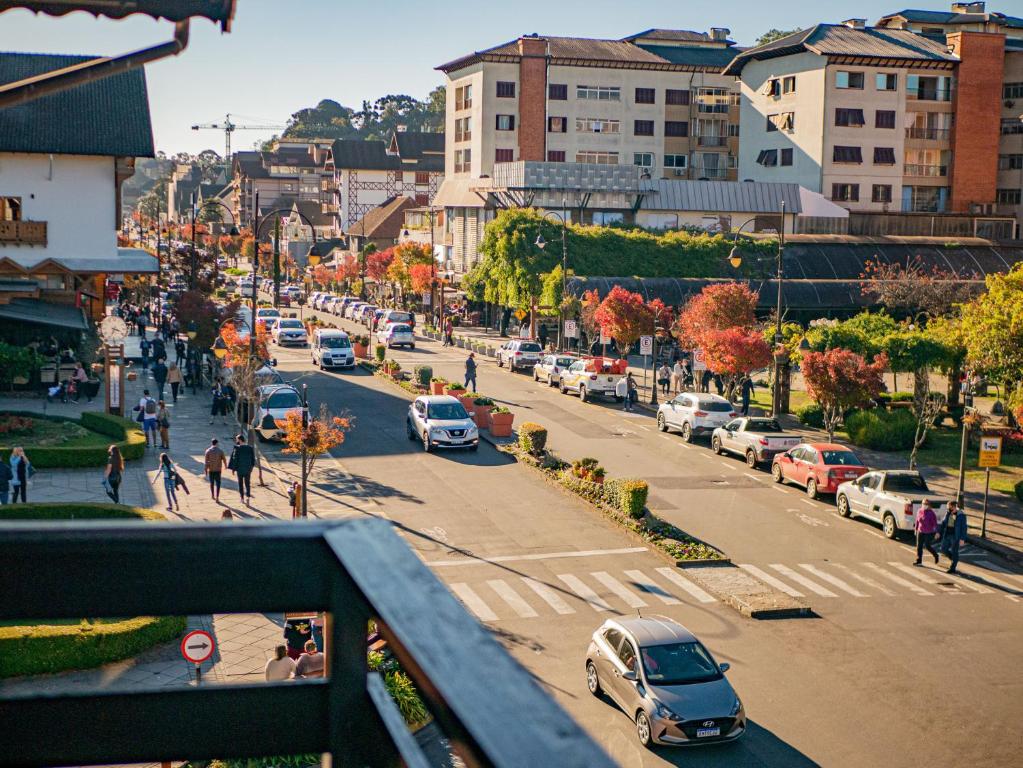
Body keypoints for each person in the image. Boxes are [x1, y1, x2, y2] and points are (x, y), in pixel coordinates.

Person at [939, 500, 968, 574]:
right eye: (948, 508)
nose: (948, 509)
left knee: (954, 551)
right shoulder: (948, 513)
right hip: (947, 534)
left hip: (955, 536)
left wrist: (962, 539)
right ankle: (954, 559)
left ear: (954, 507)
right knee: (943, 549)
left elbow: (964, 528)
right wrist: (938, 532)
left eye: (950, 508)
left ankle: (952, 568)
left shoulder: (961, 515)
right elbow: (943, 523)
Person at [229, 433, 256, 504]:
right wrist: (251, 468)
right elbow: (253, 459)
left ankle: (242, 498)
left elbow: (235, 459)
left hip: (240, 469)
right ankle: (248, 497)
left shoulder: (237, 448)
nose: (237, 441)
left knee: (240, 484)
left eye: (237, 440)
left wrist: (233, 469)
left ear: (240, 440)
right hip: (248, 469)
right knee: (247, 483)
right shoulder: (250, 448)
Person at [913, 499, 939, 566]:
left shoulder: (931, 513)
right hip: (920, 531)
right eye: (923, 503)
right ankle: (919, 560)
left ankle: (936, 555)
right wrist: (916, 529)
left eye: (926, 504)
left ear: (929, 505)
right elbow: (917, 521)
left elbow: (935, 524)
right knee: (919, 546)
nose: (924, 505)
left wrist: (936, 532)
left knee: (927, 546)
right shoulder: (919, 511)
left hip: (928, 532)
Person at [204, 437, 226, 502]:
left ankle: (212, 495)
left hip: (211, 470)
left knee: (212, 483)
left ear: (212, 443)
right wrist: (225, 465)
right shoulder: (220, 451)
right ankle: (217, 497)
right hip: (218, 470)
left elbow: (206, 462)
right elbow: (224, 459)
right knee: (218, 483)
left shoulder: (208, 451)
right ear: (217, 443)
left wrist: (205, 470)